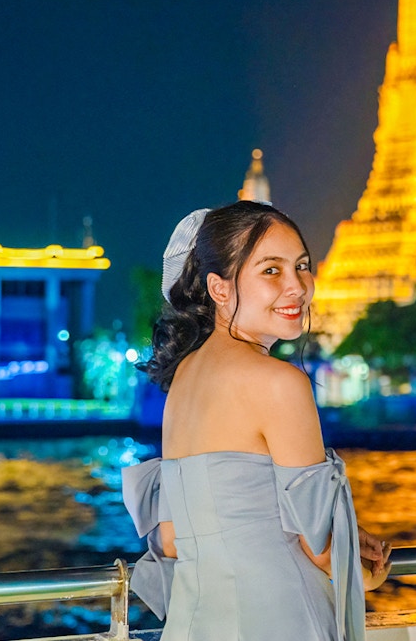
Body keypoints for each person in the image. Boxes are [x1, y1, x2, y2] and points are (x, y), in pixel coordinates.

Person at [122, 200, 391, 641]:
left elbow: (170, 541)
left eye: (302, 266)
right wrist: (368, 577)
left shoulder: (183, 378)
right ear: (219, 288)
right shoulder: (278, 382)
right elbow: (319, 546)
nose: (298, 287)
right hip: (281, 620)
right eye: (271, 271)